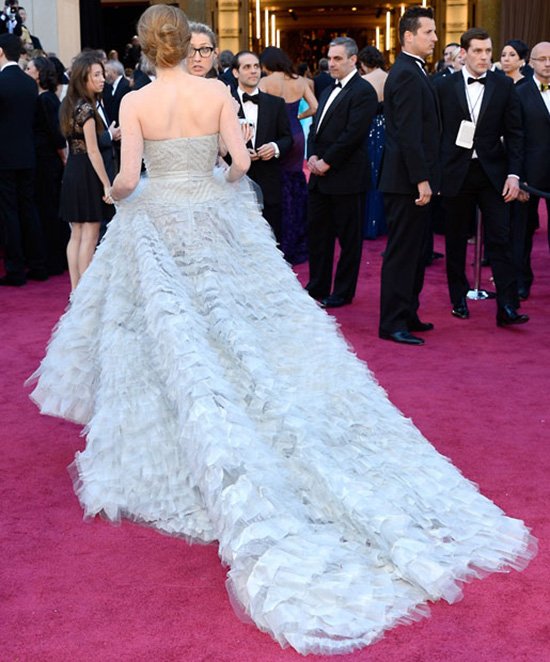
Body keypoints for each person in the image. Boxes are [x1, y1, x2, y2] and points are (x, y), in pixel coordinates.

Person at [28, 4, 535, 656]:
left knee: (169, 337)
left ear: (143, 47)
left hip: (160, 222)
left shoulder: (138, 101)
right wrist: (216, 173)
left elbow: (128, 179)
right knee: (233, 327)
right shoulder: (214, 92)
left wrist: (133, 194)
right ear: (187, 44)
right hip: (215, 218)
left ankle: (183, 442)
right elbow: (239, 165)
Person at [435, 28, 529, 327]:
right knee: (455, 240)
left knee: (500, 239)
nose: (484, 57)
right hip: (455, 173)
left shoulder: (503, 85)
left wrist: (514, 175)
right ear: (463, 53)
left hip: (493, 173)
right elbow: (435, 134)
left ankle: (507, 306)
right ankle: (458, 298)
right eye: (477, 51)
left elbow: (515, 133)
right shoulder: (443, 86)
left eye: (488, 51)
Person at [378, 6, 440, 344]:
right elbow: (407, 133)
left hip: (412, 179)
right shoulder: (404, 73)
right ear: (408, 36)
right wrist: (421, 179)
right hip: (406, 183)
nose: (434, 38)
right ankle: (391, 323)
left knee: (417, 252)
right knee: (402, 253)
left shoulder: (413, 70)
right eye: (428, 32)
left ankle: (407, 313)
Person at [306, 37, 378, 308]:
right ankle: (317, 285)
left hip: (346, 177)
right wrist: (312, 155)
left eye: (337, 58)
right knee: (318, 236)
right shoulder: (326, 90)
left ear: (353, 60)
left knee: (349, 241)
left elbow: (353, 135)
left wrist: (327, 161)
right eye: (330, 57)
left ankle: (343, 292)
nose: (331, 63)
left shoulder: (364, 91)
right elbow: (315, 128)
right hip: (318, 176)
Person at [58, 50, 114, 290]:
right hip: (87, 173)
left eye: (102, 74)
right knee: (89, 235)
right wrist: (106, 184)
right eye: (97, 75)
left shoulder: (69, 106)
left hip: (72, 172)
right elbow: (93, 151)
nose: (102, 79)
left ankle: (75, 288)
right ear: (84, 79)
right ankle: (84, 293)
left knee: (76, 233)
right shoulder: (87, 110)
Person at [259, 46, 317, 264]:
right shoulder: (300, 81)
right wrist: (299, 116)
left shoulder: (265, 83)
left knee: (277, 182)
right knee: (295, 180)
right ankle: (298, 239)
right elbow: (315, 107)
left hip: (277, 135)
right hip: (296, 133)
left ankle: (281, 240)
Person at [0, 32, 47, 286]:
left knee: (9, 212)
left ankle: (16, 269)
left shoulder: (1, 82)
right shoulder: (29, 84)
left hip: (4, 159)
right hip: (28, 155)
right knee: (29, 208)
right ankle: (38, 264)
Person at [232, 49, 292, 245]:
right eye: (247, 67)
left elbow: (287, 138)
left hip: (269, 181)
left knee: (272, 238)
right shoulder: (225, 103)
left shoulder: (276, 104)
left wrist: (274, 147)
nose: (253, 71)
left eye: (256, 67)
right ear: (235, 72)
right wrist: (237, 153)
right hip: (234, 183)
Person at [26, 55, 68, 275]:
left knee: (49, 208)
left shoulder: (45, 100)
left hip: (47, 162)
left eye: (30, 68)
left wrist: (63, 158)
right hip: (46, 160)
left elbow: (56, 134)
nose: (27, 71)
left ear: (40, 73)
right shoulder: (47, 98)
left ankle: (54, 259)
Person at [517, 41, 550, 299]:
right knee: (523, 232)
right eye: (541, 59)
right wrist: (519, 177)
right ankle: (521, 281)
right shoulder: (520, 92)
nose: (547, 63)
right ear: (531, 64)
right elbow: (515, 138)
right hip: (529, 176)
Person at [500, 40, 531, 301]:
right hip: (505, 162)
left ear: (523, 60)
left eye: (512, 55)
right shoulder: (499, 85)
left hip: (527, 165)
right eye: (503, 54)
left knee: (523, 227)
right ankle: (515, 277)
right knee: (511, 227)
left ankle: (521, 277)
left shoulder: (525, 88)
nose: (506, 59)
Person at [358, 45, 388, 239]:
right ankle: (382, 223)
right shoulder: (390, 78)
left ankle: (368, 223)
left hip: (369, 130)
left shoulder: (362, 82)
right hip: (387, 129)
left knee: (369, 174)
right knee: (384, 174)